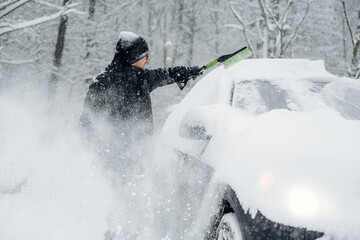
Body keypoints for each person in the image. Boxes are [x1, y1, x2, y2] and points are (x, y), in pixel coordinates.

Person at [80, 31, 203, 163]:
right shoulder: (102, 85)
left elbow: (166, 74)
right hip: (111, 158)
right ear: (133, 58)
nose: (148, 59)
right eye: (145, 56)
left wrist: (188, 72)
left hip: (141, 157)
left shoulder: (141, 78)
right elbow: (88, 123)